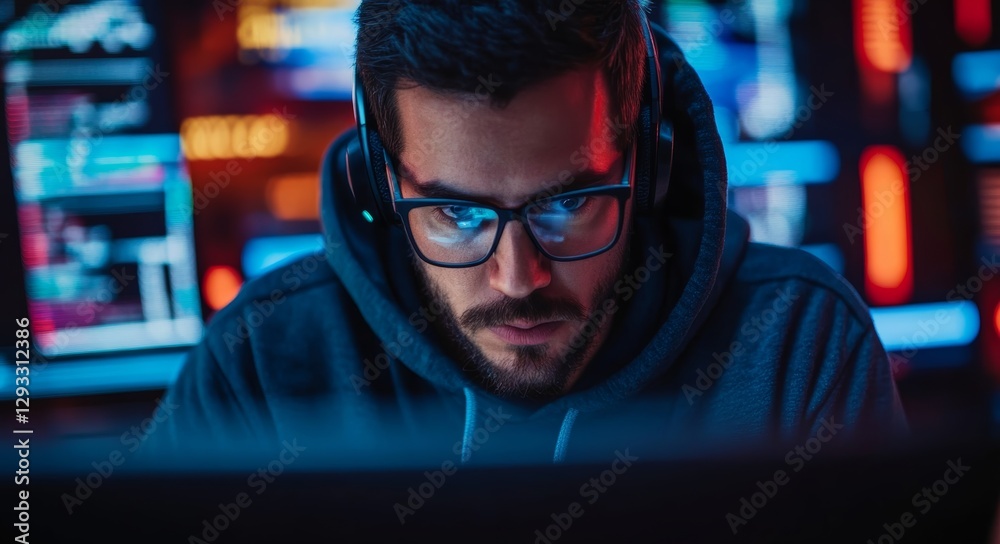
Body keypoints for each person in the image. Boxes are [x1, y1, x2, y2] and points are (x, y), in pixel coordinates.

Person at [153, 0, 906, 464]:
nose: (518, 279)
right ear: (380, 184)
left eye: (566, 204)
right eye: (455, 213)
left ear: (647, 165)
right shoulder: (260, 366)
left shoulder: (795, 345)